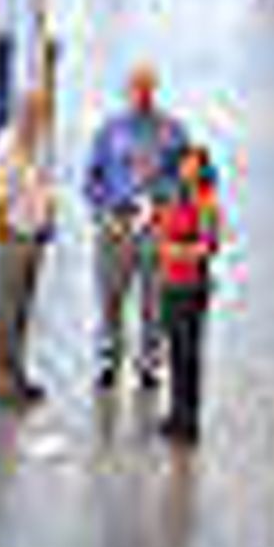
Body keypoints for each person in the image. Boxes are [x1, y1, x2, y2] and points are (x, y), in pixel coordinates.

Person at [81, 63, 178, 401]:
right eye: (136, 89)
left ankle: (150, 363)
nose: (141, 95)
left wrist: (164, 206)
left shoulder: (171, 131)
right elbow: (92, 177)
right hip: (116, 223)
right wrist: (102, 212)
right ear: (126, 92)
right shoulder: (109, 130)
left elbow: (184, 175)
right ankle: (108, 359)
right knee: (110, 295)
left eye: (147, 88)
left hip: (153, 224)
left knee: (153, 298)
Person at [0, 72, 60, 406]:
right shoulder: (3, 151)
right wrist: (7, 234)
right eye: (32, 113)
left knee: (22, 308)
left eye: (41, 114)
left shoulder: (38, 147)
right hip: (14, 238)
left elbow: (44, 186)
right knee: (5, 309)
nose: (37, 120)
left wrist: (47, 221)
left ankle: (16, 374)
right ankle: (0, 378)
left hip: (33, 235)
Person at [148, 141, 223, 448]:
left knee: (189, 353)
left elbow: (209, 246)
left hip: (192, 286)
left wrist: (175, 251)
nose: (188, 170)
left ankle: (189, 417)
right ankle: (176, 411)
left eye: (194, 164)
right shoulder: (171, 198)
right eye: (184, 164)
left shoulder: (207, 203)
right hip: (169, 282)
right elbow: (158, 230)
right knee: (175, 351)